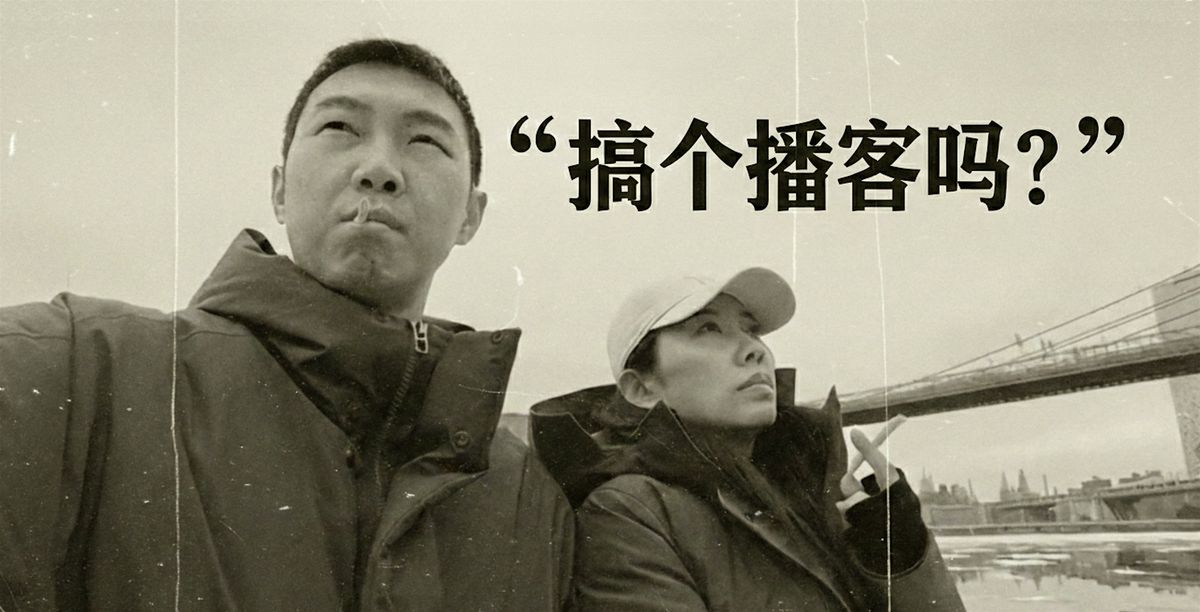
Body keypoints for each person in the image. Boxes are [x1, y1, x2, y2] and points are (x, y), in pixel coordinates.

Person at [0, 39, 571, 611]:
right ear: (279, 191)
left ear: (470, 215)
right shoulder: (85, 371)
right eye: (340, 128)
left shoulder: (528, 497)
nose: (378, 169)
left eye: (424, 141)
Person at [531, 269, 964, 611]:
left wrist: (902, 557)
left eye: (751, 330)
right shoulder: (629, 513)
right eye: (708, 329)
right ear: (641, 388)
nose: (755, 350)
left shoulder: (810, 491)